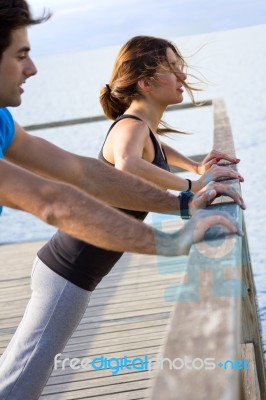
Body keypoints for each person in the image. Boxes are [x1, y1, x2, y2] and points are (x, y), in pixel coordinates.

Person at [0, 2, 245, 399]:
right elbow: (120, 168)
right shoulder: (131, 125)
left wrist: (198, 172)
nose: (182, 75)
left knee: (23, 364)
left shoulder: (136, 125)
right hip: (69, 270)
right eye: (172, 67)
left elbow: (134, 156)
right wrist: (188, 199)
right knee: (25, 375)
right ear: (145, 82)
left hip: (73, 270)